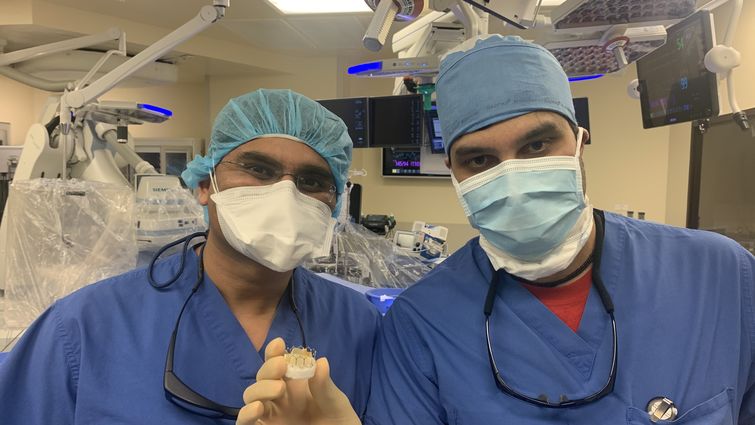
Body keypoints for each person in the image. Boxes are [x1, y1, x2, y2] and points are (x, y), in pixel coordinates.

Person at [363, 35, 755, 424]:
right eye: (480, 159)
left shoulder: (720, 276)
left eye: (536, 146)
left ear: (580, 142)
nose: (513, 181)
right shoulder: (421, 322)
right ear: (455, 174)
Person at [0, 89, 380, 424]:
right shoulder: (85, 327)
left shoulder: (358, 325)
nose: (284, 193)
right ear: (204, 185)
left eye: (311, 181)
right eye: (257, 168)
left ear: (334, 205)